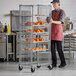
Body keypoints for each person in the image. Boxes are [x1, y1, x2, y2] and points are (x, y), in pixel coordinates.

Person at [49, 0, 66, 68]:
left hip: (58, 32)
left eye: (54, 3)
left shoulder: (62, 12)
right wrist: (41, 19)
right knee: (52, 49)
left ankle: (63, 62)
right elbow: (48, 20)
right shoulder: (52, 12)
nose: (53, 4)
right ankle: (54, 63)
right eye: (53, 3)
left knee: (59, 49)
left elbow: (61, 22)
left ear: (58, 4)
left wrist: (52, 21)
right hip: (53, 32)